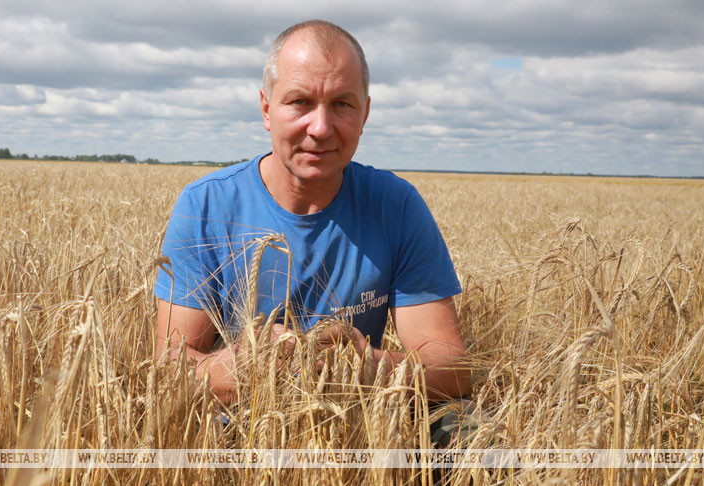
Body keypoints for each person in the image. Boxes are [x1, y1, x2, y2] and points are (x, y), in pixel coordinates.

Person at [154, 20, 470, 409]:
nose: (320, 128)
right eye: (300, 102)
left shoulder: (397, 205)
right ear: (267, 109)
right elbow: (170, 369)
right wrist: (245, 365)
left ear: (365, 113)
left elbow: (452, 367)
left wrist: (364, 366)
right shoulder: (206, 205)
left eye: (342, 104)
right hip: (237, 423)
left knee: (467, 428)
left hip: (356, 418)